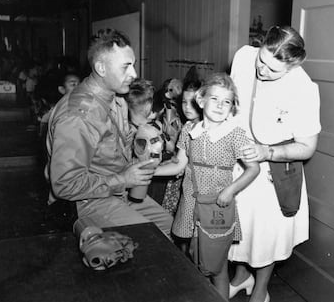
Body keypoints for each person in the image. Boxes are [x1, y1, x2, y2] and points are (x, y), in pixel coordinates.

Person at [45, 28, 173, 236]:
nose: (134, 74)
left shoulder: (117, 98)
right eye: (126, 67)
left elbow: (116, 144)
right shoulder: (78, 116)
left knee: (169, 226)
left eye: (133, 65)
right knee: (152, 239)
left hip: (116, 189)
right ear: (101, 68)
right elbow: (64, 185)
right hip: (84, 201)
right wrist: (123, 180)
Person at [228, 25, 321, 302]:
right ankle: (241, 278)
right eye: (263, 60)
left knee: (266, 236)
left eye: (273, 70)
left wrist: (267, 152)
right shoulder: (245, 56)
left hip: (272, 173)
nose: (262, 71)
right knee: (238, 229)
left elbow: (307, 147)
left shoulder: (303, 88)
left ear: (293, 66)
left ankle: (260, 290)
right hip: (237, 161)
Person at [154, 72, 260, 299]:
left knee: (216, 268)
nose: (221, 106)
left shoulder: (235, 135)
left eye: (227, 101)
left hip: (216, 207)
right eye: (215, 99)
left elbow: (254, 168)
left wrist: (230, 191)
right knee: (194, 263)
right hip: (190, 203)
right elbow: (178, 165)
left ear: (233, 107)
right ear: (201, 101)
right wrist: (150, 171)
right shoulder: (189, 131)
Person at [161, 79, 202, 218]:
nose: (187, 107)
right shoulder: (187, 127)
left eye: (193, 103)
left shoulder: (211, 129)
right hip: (187, 186)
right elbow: (178, 164)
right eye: (184, 102)